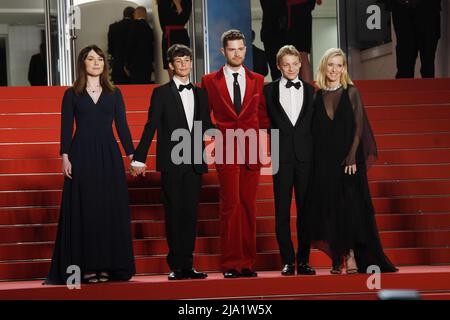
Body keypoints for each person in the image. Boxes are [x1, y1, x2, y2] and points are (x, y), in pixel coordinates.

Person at [45, 45, 136, 285]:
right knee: (85, 210)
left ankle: (106, 266)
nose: (96, 62)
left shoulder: (114, 93)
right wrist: (64, 156)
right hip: (81, 154)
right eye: (91, 59)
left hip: (108, 154)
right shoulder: (71, 94)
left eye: (100, 59)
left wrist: (132, 155)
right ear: (82, 63)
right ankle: (84, 268)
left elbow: (123, 127)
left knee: (107, 210)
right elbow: (66, 127)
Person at [302, 48, 397, 274]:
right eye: (331, 65)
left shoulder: (351, 92)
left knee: (350, 209)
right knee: (330, 210)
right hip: (324, 162)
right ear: (324, 67)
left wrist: (352, 155)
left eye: (339, 65)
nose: (335, 69)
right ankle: (338, 257)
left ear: (344, 68)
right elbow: (314, 132)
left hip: (349, 161)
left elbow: (359, 127)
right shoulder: (317, 96)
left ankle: (353, 255)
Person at [130, 44, 213, 280]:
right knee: (174, 213)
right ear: (171, 65)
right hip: (172, 162)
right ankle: (176, 265)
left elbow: (206, 124)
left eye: (187, 60)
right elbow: (151, 126)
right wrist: (139, 157)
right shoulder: (161, 93)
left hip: (195, 162)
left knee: (190, 214)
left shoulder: (200, 93)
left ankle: (188, 265)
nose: (185, 64)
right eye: (179, 61)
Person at [202, 30, 270, 278]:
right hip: (225, 149)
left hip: (252, 150)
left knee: (248, 206)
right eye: (232, 49)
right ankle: (232, 264)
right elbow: (203, 114)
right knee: (231, 206)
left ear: (245, 49)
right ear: (223, 52)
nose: (237, 53)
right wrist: (212, 141)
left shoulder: (258, 79)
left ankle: (247, 263)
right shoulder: (210, 81)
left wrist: (263, 146)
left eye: (241, 48)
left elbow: (262, 117)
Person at [263, 45, 315, 276]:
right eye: (287, 64)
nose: (292, 68)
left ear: (300, 64)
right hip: (280, 157)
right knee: (281, 211)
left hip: (306, 158)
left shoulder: (312, 91)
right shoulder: (268, 91)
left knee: (306, 212)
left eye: (295, 64)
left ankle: (303, 261)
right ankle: (287, 260)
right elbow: (261, 120)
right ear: (278, 66)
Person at [378, 0, 442, 78]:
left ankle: (426, 87)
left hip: (427, 9)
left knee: (427, 62)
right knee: (405, 63)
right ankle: (405, 88)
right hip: (402, 9)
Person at [285, 0, 322, 83]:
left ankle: (306, 92)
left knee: (301, 55)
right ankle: (304, 91)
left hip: (298, 11)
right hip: (297, 11)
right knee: (298, 56)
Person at [157, 0, 192, 78]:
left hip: (182, 37)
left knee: (184, 64)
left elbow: (184, 19)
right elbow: (163, 21)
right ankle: (173, 87)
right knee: (170, 65)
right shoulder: (163, 2)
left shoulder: (187, 2)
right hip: (169, 35)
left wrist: (178, 4)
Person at [125, 6, 155, 84]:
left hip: (135, 64)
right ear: (145, 14)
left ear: (136, 13)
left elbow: (130, 46)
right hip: (147, 64)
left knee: (136, 88)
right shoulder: (149, 28)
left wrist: (127, 64)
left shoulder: (132, 26)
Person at [260, 0, 287, 80]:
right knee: (279, 68)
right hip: (279, 32)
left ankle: (278, 89)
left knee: (275, 69)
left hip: (270, 33)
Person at [108, 6, 135, 84]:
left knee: (119, 89)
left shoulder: (113, 27)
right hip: (133, 64)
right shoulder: (136, 26)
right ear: (133, 14)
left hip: (118, 63)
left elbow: (110, 48)